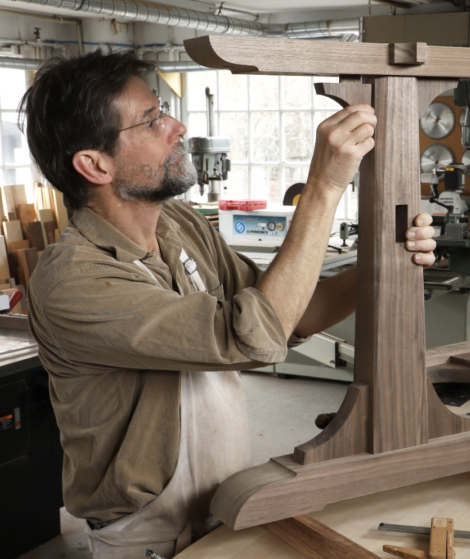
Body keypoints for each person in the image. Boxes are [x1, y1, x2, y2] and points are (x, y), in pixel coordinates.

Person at [21, 51, 436, 558]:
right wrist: (324, 188)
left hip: (231, 505)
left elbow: (292, 316)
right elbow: (251, 339)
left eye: (164, 110)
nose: (176, 127)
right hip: (146, 541)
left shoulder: (181, 227)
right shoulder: (73, 281)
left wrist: (385, 263)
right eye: (151, 120)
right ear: (95, 164)